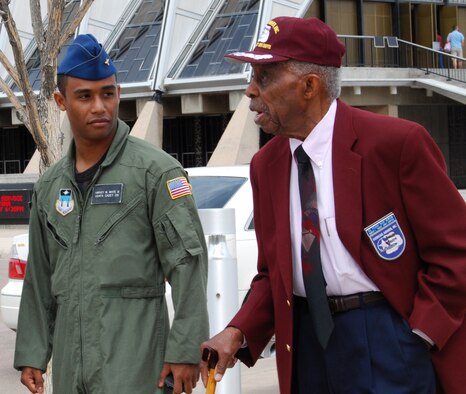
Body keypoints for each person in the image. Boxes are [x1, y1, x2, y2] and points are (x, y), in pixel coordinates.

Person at [200, 17, 466, 394]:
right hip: (305, 344)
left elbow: (457, 253)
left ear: (309, 86)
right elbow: (272, 273)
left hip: (387, 336)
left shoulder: (396, 144)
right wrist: (237, 330)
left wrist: (421, 332)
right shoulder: (266, 165)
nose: (250, 90)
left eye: (264, 76)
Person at [14, 34, 209, 394]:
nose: (100, 106)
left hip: (138, 368)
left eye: (108, 93)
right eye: (85, 97)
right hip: (72, 371)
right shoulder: (50, 186)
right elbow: (39, 279)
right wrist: (32, 352)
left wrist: (185, 349)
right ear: (61, 101)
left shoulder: (156, 173)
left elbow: (188, 265)